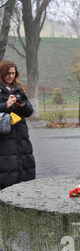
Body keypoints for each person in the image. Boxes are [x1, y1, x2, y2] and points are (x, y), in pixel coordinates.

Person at [0, 60, 35, 189]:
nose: (10, 76)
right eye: (8, 73)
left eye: (13, 73)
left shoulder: (18, 88)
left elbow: (29, 112)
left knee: (24, 165)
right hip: (4, 135)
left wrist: (22, 104)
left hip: (21, 134)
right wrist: (5, 105)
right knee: (7, 167)